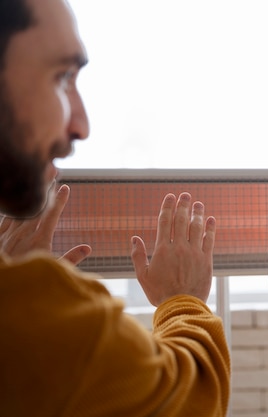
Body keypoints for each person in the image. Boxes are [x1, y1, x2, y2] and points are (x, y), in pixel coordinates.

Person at [0, 0, 230, 415]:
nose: (81, 125)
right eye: (62, 77)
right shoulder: (37, 319)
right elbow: (193, 397)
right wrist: (183, 300)